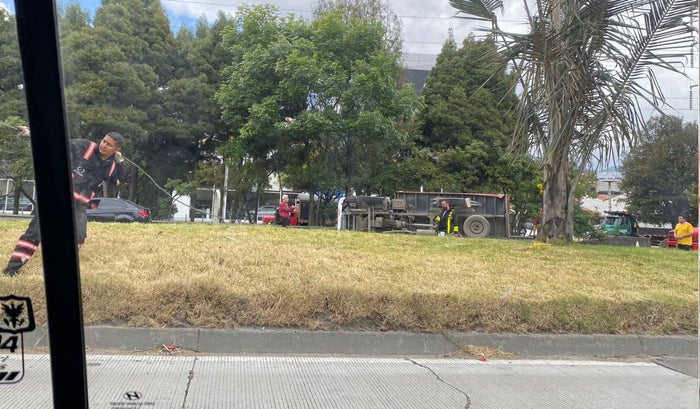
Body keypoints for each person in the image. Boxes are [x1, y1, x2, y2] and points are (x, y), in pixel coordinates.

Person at [3, 129, 126, 277]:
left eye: (109, 144)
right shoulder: (84, 145)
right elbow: (56, 144)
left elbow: (118, 181)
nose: (103, 145)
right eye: (104, 141)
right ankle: (11, 270)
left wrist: (120, 162)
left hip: (79, 206)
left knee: (78, 237)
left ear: (116, 149)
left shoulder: (111, 166)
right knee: (34, 233)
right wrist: (31, 133)